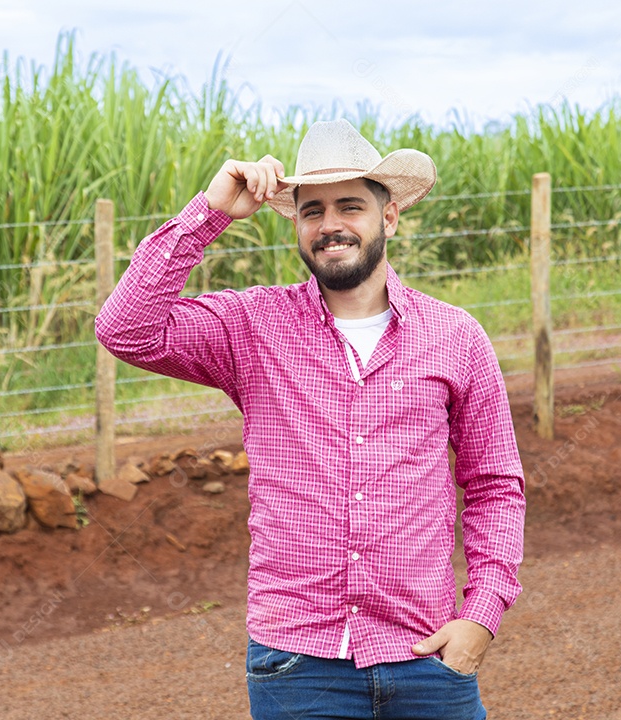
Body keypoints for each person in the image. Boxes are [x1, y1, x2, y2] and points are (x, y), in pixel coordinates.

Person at [95, 119, 525, 720]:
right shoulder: (253, 326)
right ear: (296, 225)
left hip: (426, 658)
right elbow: (124, 330)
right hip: (297, 668)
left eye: (350, 206)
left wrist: (482, 616)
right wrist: (211, 213)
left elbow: (494, 484)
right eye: (312, 210)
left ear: (390, 218)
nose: (330, 225)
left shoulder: (456, 336)